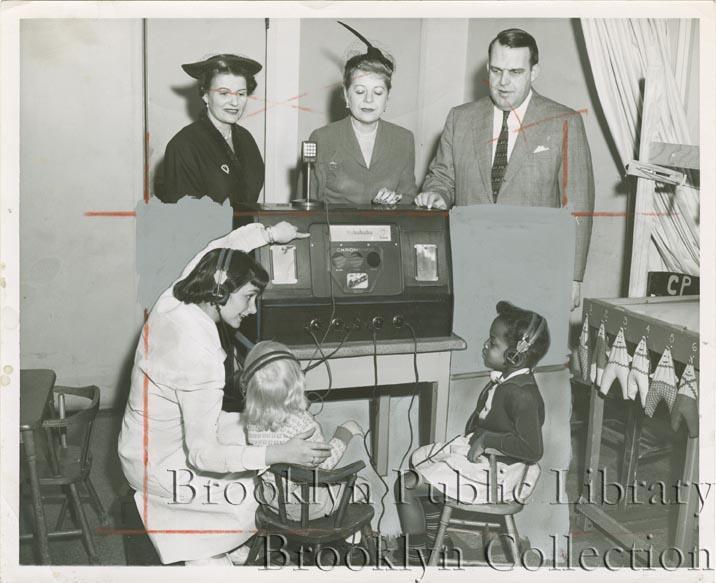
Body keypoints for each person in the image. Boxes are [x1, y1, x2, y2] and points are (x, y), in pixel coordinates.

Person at [117, 221, 333, 566]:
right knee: (261, 494)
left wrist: (271, 234)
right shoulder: (200, 357)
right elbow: (203, 455)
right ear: (220, 290)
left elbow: (219, 249)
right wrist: (278, 453)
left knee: (255, 427)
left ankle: (218, 543)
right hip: (160, 464)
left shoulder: (173, 300)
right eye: (248, 297)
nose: (252, 309)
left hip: (140, 441)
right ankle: (206, 553)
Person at [415, 28, 594, 309]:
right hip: (470, 271)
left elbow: (578, 204)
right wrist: (437, 194)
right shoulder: (460, 118)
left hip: (537, 274)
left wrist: (573, 277)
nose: (503, 82)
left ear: (534, 72)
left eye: (515, 72)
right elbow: (442, 177)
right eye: (496, 71)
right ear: (487, 68)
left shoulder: (564, 121)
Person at [394, 301, 550, 560]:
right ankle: (435, 539)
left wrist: (487, 440)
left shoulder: (522, 395)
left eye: (493, 342)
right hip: (488, 463)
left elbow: (533, 450)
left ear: (515, 355)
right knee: (421, 458)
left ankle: (417, 552)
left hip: (497, 476)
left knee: (405, 485)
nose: (486, 345)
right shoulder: (507, 384)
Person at [243, 341, 365, 520]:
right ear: (298, 382)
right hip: (303, 505)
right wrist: (345, 432)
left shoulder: (252, 421)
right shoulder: (303, 425)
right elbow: (324, 465)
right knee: (362, 486)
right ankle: (350, 532)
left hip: (270, 499)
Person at [303, 22, 417, 206]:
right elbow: (306, 206)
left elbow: (409, 198)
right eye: (360, 91)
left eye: (378, 92)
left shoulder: (404, 140)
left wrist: (395, 199)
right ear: (346, 95)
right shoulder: (322, 138)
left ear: (387, 98)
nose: (369, 99)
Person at [159, 53, 264, 210]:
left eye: (241, 93)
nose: (235, 102)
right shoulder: (183, 146)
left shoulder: (246, 139)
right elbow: (185, 218)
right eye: (224, 93)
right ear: (205, 95)